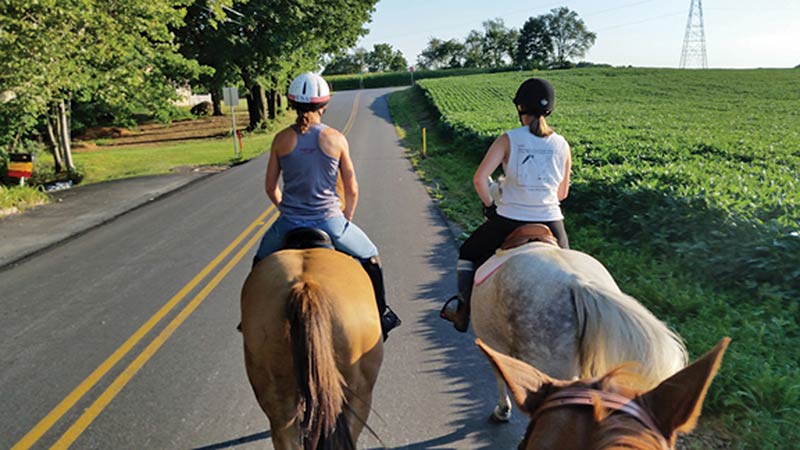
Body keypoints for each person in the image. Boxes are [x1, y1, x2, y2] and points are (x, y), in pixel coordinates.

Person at [252, 72, 401, 340]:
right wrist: (346, 219)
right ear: (324, 105)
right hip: (330, 222)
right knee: (371, 258)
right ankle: (382, 315)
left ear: (293, 104)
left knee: (260, 261)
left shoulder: (281, 140)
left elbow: (270, 188)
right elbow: (352, 188)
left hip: (288, 222)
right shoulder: (336, 139)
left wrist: (286, 209)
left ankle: (250, 319)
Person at [440, 77, 572, 332]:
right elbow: (562, 193)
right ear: (550, 108)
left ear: (520, 108)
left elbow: (479, 180)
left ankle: (462, 310)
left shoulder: (509, 139)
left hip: (509, 219)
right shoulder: (562, 144)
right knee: (571, 267)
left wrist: (490, 207)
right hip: (551, 220)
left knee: (468, 251)